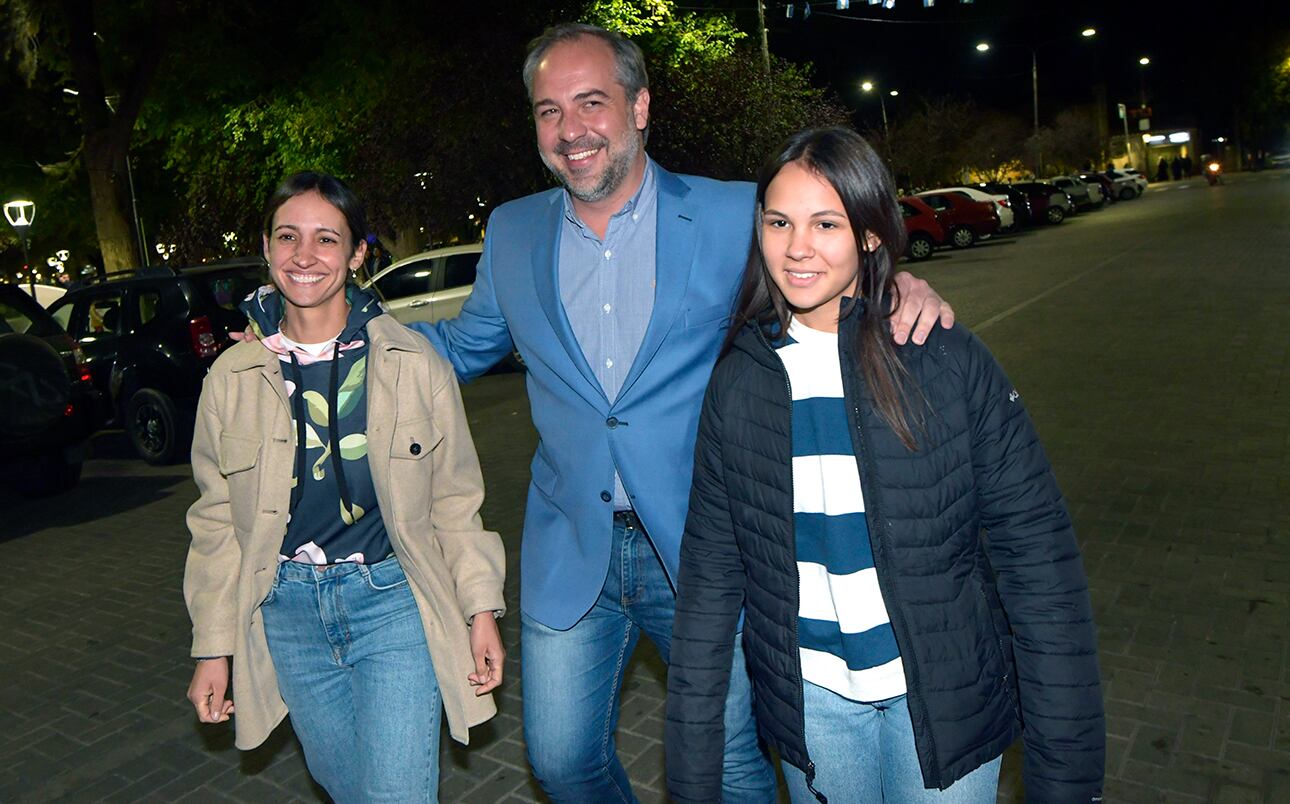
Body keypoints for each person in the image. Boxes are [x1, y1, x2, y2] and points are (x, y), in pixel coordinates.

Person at [236, 23, 952, 802]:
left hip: (707, 545)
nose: (570, 130)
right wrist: (311, 325)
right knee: (561, 762)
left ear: (639, 107)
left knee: (731, 765)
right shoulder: (512, 231)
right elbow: (460, 347)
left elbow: (818, 272)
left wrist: (893, 291)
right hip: (570, 546)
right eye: (549, 111)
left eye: (591, 103)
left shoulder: (727, 214)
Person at [664, 128, 1104, 803]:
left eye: (826, 223)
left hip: (942, 702)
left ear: (870, 235)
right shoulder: (739, 383)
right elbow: (708, 591)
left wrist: (1067, 782)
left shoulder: (943, 359)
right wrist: (690, 782)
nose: (797, 247)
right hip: (815, 707)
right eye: (779, 221)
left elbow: (1039, 568)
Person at [184, 172, 506, 802]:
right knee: (346, 787)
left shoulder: (414, 364)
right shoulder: (232, 377)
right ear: (269, 248)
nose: (305, 256)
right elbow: (216, 521)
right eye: (288, 236)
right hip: (287, 614)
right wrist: (213, 647)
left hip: (392, 605)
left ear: (358, 253)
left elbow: (456, 504)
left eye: (326, 238)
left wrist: (480, 608)